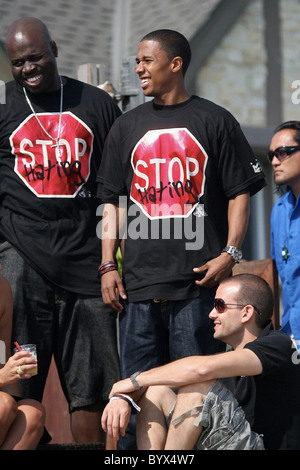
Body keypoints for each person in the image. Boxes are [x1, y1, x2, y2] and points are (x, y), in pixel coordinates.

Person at [97, 29, 266, 447]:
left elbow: (239, 193)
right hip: (137, 287)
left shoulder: (215, 119)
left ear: (175, 64)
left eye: (147, 60)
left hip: (197, 288)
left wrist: (229, 253)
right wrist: (106, 265)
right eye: (137, 61)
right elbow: (112, 204)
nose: (138, 68)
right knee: (134, 398)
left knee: (197, 397)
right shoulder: (125, 126)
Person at [0, 17, 121, 444]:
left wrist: (113, 260)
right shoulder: (2, 104)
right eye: (18, 63)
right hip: (20, 263)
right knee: (18, 386)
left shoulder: (96, 103)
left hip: (87, 265)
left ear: (54, 47)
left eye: (35, 57)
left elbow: (116, 187)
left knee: (91, 390)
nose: (27, 68)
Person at [102, 274, 300, 450]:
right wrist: (123, 397)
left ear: (246, 313)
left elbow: (201, 370)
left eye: (220, 306)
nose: (211, 314)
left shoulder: (278, 344)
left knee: (197, 385)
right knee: (157, 390)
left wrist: (134, 380)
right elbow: (179, 378)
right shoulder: (229, 360)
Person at [0, 274, 45, 450]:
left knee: (33, 413)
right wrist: (2, 377)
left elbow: (1, 354)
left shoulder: (2, 288)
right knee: (3, 405)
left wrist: (13, 372)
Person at [269, 121, 300, 352]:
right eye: (271, 154)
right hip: (290, 335)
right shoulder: (279, 210)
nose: (273, 161)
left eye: (282, 153)